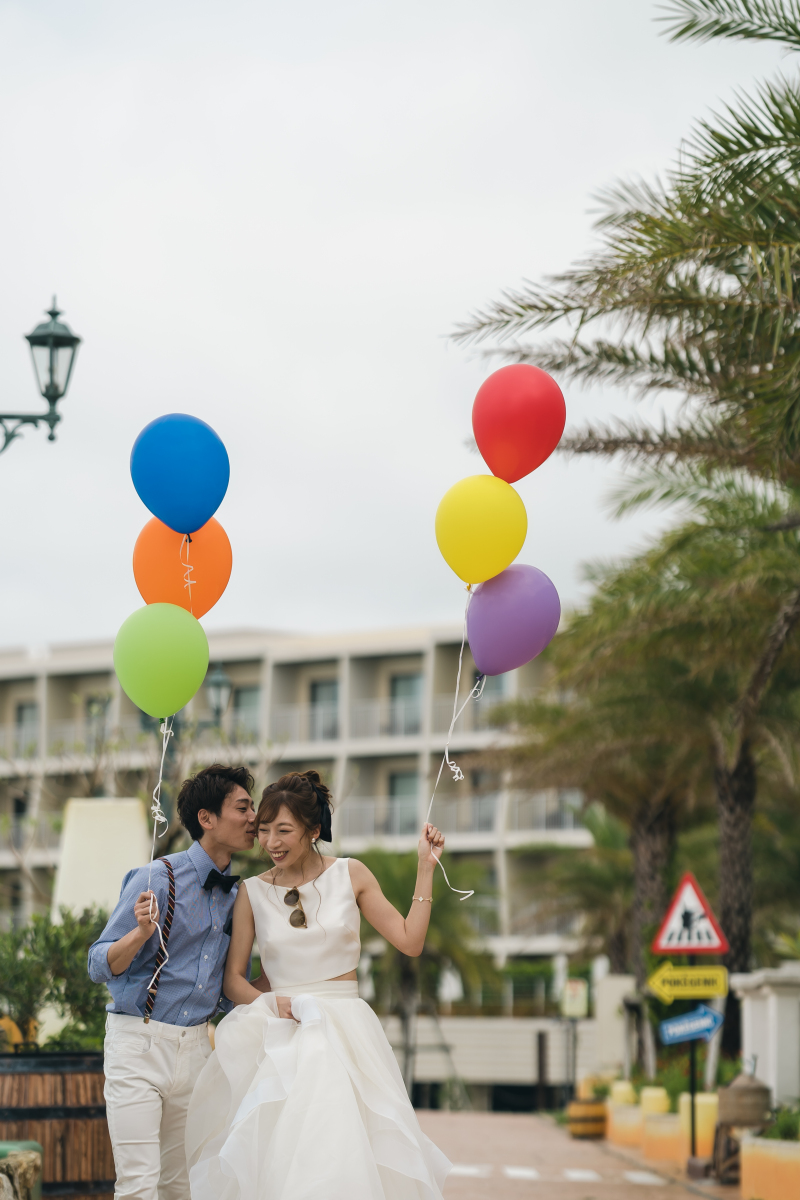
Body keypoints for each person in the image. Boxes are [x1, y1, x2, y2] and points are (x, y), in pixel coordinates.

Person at [185, 769, 452, 1200]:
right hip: (282, 1035)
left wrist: (426, 866)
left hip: (346, 1033)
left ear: (313, 831)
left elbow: (410, 940)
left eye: (284, 830)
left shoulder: (352, 874)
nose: (271, 841)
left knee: (348, 1155)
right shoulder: (251, 893)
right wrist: (276, 1005)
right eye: (265, 829)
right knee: (285, 1162)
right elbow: (234, 981)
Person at [88, 764, 258, 1200]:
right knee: (138, 1185)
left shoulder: (240, 897)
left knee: (183, 1187)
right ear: (207, 818)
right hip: (138, 1045)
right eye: (243, 807)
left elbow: (228, 986)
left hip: (198, 1050)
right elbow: (97, 964)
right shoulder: (157, 878)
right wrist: (139, 934)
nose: (253, 817)